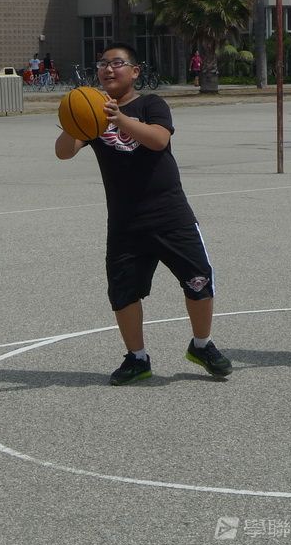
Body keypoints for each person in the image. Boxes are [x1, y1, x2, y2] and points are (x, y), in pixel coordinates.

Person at [55, 42, 232, 385]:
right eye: (102, 63)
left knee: (198, 281)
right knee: (124, 293)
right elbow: (63, 153)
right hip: (125, 222)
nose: (108, 69)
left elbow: (158, 140)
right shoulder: (93, 114)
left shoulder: (151, 104)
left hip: (170, 214)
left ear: (134, 72)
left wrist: (118, 118)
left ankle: (202, 345)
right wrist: (74, 119)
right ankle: (137, 359)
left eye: (117, 63)